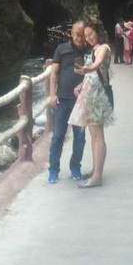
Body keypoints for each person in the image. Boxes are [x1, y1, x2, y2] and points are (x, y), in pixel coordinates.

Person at [69, 20, 114, 188]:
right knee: (94, 136)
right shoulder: (93, 49)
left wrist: (87, 69)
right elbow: (94, 74)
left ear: (98, 32)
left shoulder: (103, 48)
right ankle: (96, 170)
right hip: (90, 95)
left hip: (97, 96)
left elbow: (97, 65)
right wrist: (81, 84)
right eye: (85, 36)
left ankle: (97, 177)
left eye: (90, 34)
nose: (88, 38)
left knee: (97, 136)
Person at [47, 20, 89, 183]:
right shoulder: (61, 49)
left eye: (82, 34)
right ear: (71, 34)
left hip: (81, 100)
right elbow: (54, 73)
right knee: (58, 136)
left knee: (80, 138)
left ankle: (75, 167)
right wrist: (52, 95)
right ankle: (53, 170)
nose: (79, 37)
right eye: (76, 34)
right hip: (62, 99)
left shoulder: (89, 50)